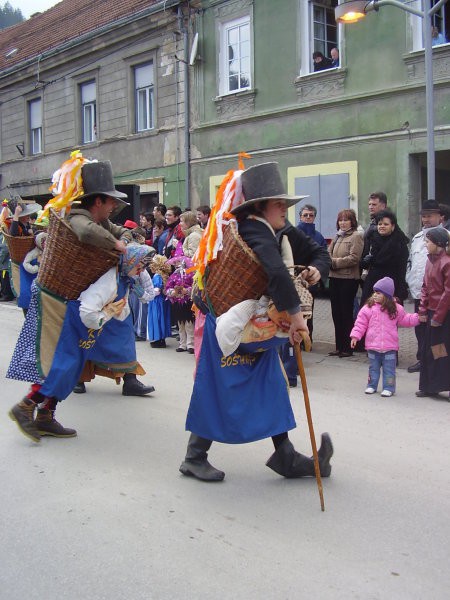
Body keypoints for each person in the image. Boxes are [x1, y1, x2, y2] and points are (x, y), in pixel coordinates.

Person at [179, 162, 333, 482]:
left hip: (252, 325)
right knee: (217, 389)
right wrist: (296, 319)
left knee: (271, 384)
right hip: (227, 324)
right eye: (280, 204)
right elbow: (276, 273)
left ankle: (286, 455)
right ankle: (194, 457)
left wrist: (318, 268)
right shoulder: (251, 228)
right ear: (260, 207)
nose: (285, 211)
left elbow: (317, 250)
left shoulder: (279, 229)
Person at [7, 243, 154, 443]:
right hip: (76, 323)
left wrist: (116, 311)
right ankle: (26, 405)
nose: (142, 270)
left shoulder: (123, 278)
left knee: (71, 371)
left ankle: (45, 417)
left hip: (87, 326)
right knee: (62, 367)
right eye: (141, 265)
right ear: (131, 261)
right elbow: (87, 312)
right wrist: (106, 314)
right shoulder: (109, 279)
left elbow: (120, 309)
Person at [350, 277, 419, 397]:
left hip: (390, 347)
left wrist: (418, 318)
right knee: (373, 368)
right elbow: (360, 323)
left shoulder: (396, 309)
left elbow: (405, 319)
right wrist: (355, 336)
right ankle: (371, 385)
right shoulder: (368, 308)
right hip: (373, 346)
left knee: (389, 370)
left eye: (378, 293)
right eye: (374, 292)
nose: (375, 295)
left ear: (386, 295)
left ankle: (389, 388)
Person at [405, 200, 443, 373]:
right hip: (419, 292)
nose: (426, 219)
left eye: (430, 216)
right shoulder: (418, 238)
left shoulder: (445, 237)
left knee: (438, 333)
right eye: (424, 216)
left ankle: (439, 364)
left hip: (440, 297)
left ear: (440, 217)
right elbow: (411, 262)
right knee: (420, 329)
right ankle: (423, 359)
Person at [416, 228, 450, 399]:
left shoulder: (447, 262)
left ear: (438, 244)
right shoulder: (430, 261)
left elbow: (448, 292)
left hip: (442, 315)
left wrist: (438, 317)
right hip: (430, 312)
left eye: (428, 242)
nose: (425, 244)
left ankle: (443, 383)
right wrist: (422, 310)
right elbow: (425, 287)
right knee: (428, 350)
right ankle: (429, 385)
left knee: (441, 350)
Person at [328, 208, 364, 357]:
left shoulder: (356, 236)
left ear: (352, 221)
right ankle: (339, 346)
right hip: (334, 277)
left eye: (346, 220)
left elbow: (354, 258)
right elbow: (327, 252)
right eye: (340, 220)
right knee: (336, 313)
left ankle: (347, 348)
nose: (342, 223)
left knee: (346, 313)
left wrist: (334, 263)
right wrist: (328, 261)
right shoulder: (337, 236)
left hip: (348, 279)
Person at [360, 209, 409, 308]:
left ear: (393, 226)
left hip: (391, 286)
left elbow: (402, 269)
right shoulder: (372, 238)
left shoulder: (400, 242)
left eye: (386, 224)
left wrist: (399, 293)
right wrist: (365, 261)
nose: (382, 226)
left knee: (388, 317)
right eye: (380, 224)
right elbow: (363, 262)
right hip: (372, 284)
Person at [147, 254, 172, 348]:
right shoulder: (164, 275)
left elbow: (157, 290)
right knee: (162, 318)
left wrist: (148, 293)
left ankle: (158, 339)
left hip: (157, 301)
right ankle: (161, 339)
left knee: (157, 318)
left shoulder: (157, 276)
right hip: (163, 301)